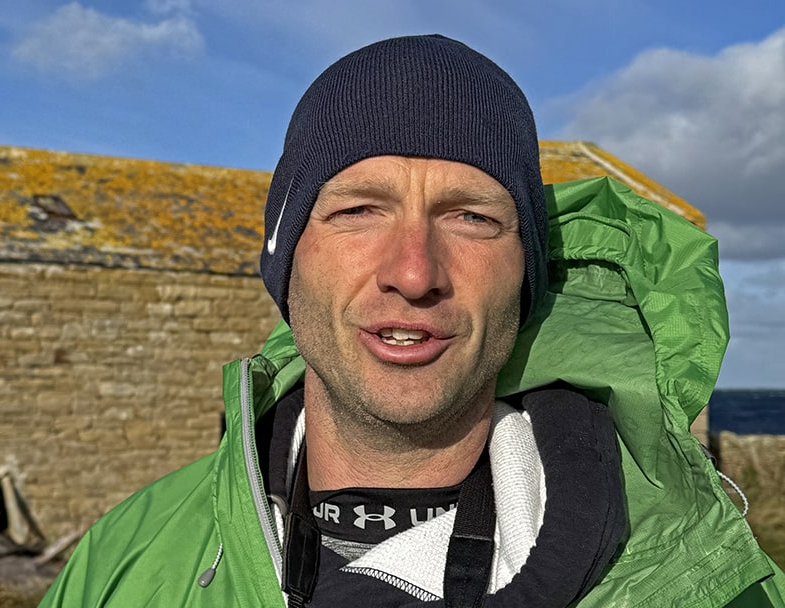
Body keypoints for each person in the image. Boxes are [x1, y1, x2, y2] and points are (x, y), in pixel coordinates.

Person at [40, 35, 785, 607]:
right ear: (286, 257)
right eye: (359, 209)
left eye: (471, 217)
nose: (415, 272)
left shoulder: (704, 584)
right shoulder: (128, 557)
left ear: (526, 270)